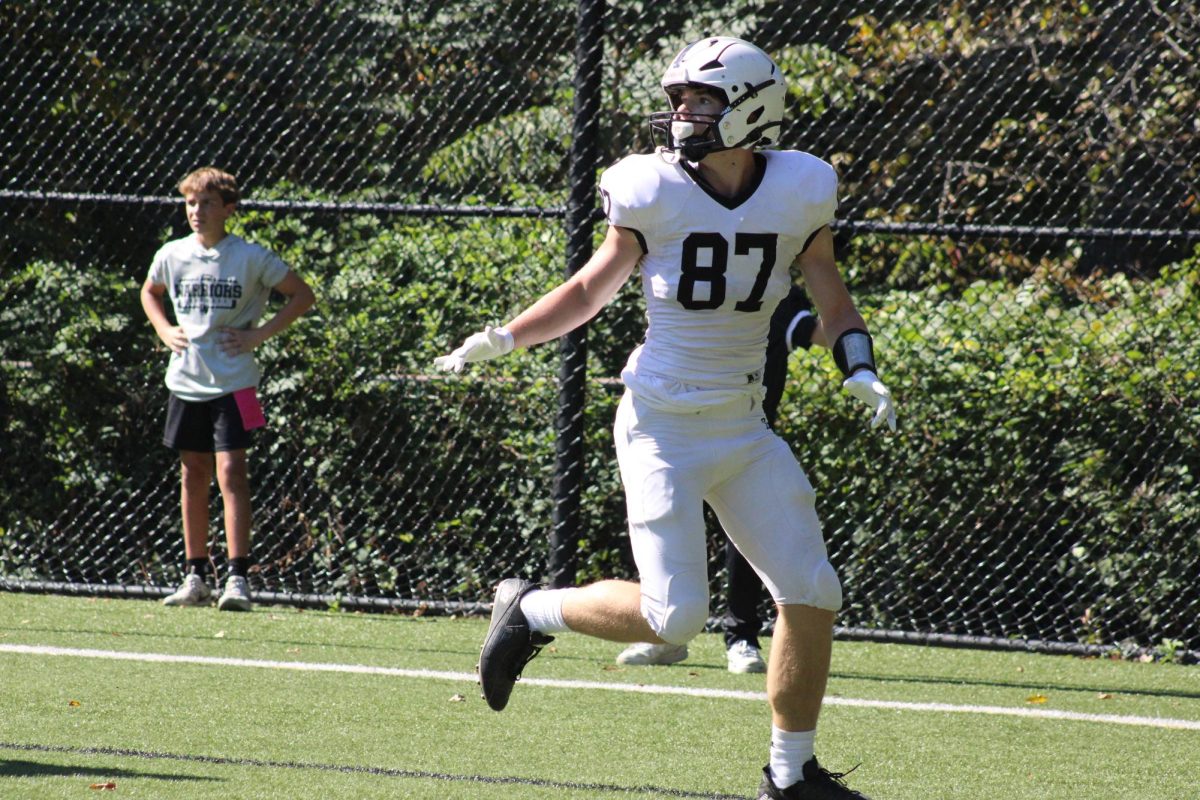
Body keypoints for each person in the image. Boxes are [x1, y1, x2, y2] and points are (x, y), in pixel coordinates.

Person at [435, 36, 894, 800]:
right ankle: (531, 608)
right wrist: (506, 336)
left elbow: (831, 296)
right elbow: (589, 289)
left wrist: (862, 367)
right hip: (662, 424)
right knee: (675, 617)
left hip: (745, 427)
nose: (684, 114)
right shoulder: (650, 188)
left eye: (702, 100)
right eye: (679, 99)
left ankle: (790, 776)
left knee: (813, 590)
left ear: (752, 107)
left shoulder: (802, 188)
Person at [616, 287, 825, 674]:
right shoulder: (689, 270)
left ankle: (741, 636)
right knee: (662, 534)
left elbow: (817, 330)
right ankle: (664, 635)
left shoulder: (774, 284)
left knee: (753, 543)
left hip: (745, 432)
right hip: (671, 430)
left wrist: (848, 326)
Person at [140, 166, 315, 612]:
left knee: (232, 472)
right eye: (190, 203)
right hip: (185, 382)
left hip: (237, 386)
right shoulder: (172, 254)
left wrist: (257, 336)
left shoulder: (250, 257)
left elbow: (302, 295)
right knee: (191, 473)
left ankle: (237, 579)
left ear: (229, 209)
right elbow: (150, 292)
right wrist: (164, 330)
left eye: (207, 203)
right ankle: (195, 576)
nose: (196, 211)